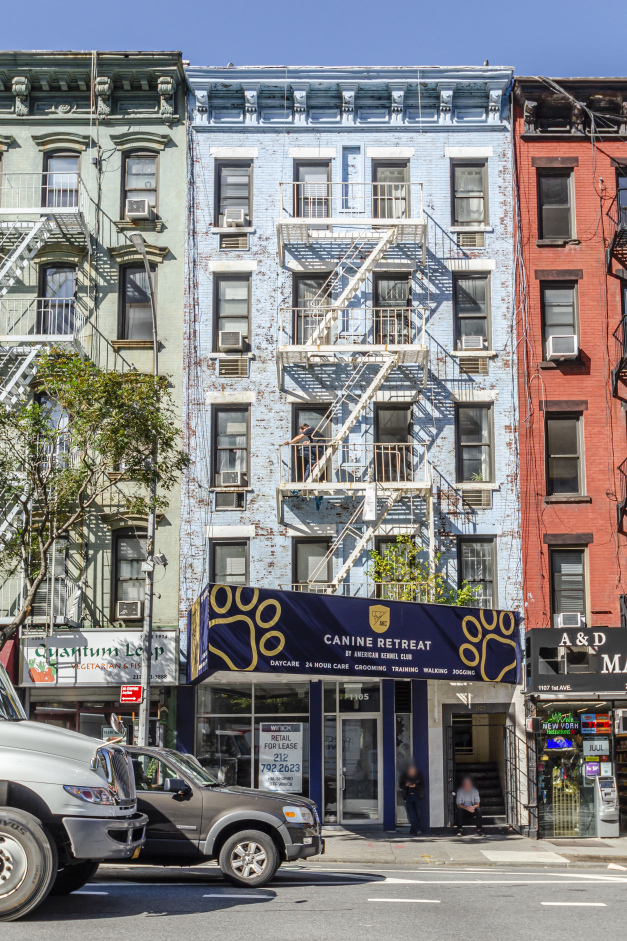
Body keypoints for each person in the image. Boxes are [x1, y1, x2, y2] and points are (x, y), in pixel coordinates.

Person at [399, 761, 425, 836]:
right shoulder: (404, 776)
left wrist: (415, 786)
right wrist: (406, 785)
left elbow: (422, 786)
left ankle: (413, 830)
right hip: (408, 796)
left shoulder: (419, 776)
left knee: (418, 813)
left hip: (417, 796)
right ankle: (417, 830)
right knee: (411, 814)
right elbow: (401, 786)